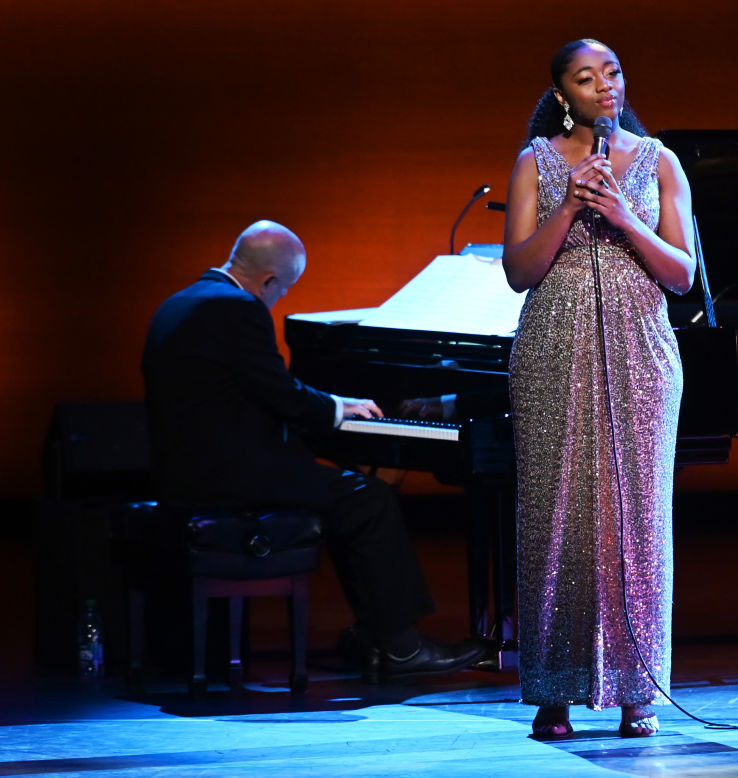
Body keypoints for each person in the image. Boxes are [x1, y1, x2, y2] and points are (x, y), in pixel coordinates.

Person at [142, 219, 485, 682]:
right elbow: (279, 393)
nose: (278, 299)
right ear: (268, 281)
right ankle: (400, 648)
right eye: (283, 290)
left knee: (348, 492)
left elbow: (242, 394)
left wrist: (324, 415)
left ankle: (375, 635)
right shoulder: (239, 309)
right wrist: (338, 409)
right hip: (227, 477)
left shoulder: (178, 303)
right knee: (367, 498)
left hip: (182, 472)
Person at [502, 39, 696, 738]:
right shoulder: (535, 162)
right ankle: (553, 690)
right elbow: (519, 271)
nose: (604, 86)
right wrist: (569, 209)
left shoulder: (659, 161)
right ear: (562, 94)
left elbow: (682, 274)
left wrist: (621, 215)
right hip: (554, 343)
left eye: (611, 72)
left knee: (637, 519)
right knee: (556, 514)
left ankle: (636, 690)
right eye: (586, 78)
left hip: (641, 349)